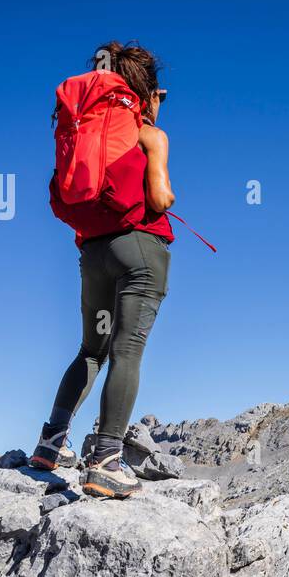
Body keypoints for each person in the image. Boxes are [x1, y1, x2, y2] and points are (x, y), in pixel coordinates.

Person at [28, 42, 176, 499]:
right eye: (160, 94)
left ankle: (51, 443)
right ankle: (107, 460)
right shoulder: (147, 133)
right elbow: (160, 199)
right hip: (140, 253)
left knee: (90, 350)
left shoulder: (89, 126)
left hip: (93, 254)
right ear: (147, 90)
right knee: (127, 352)